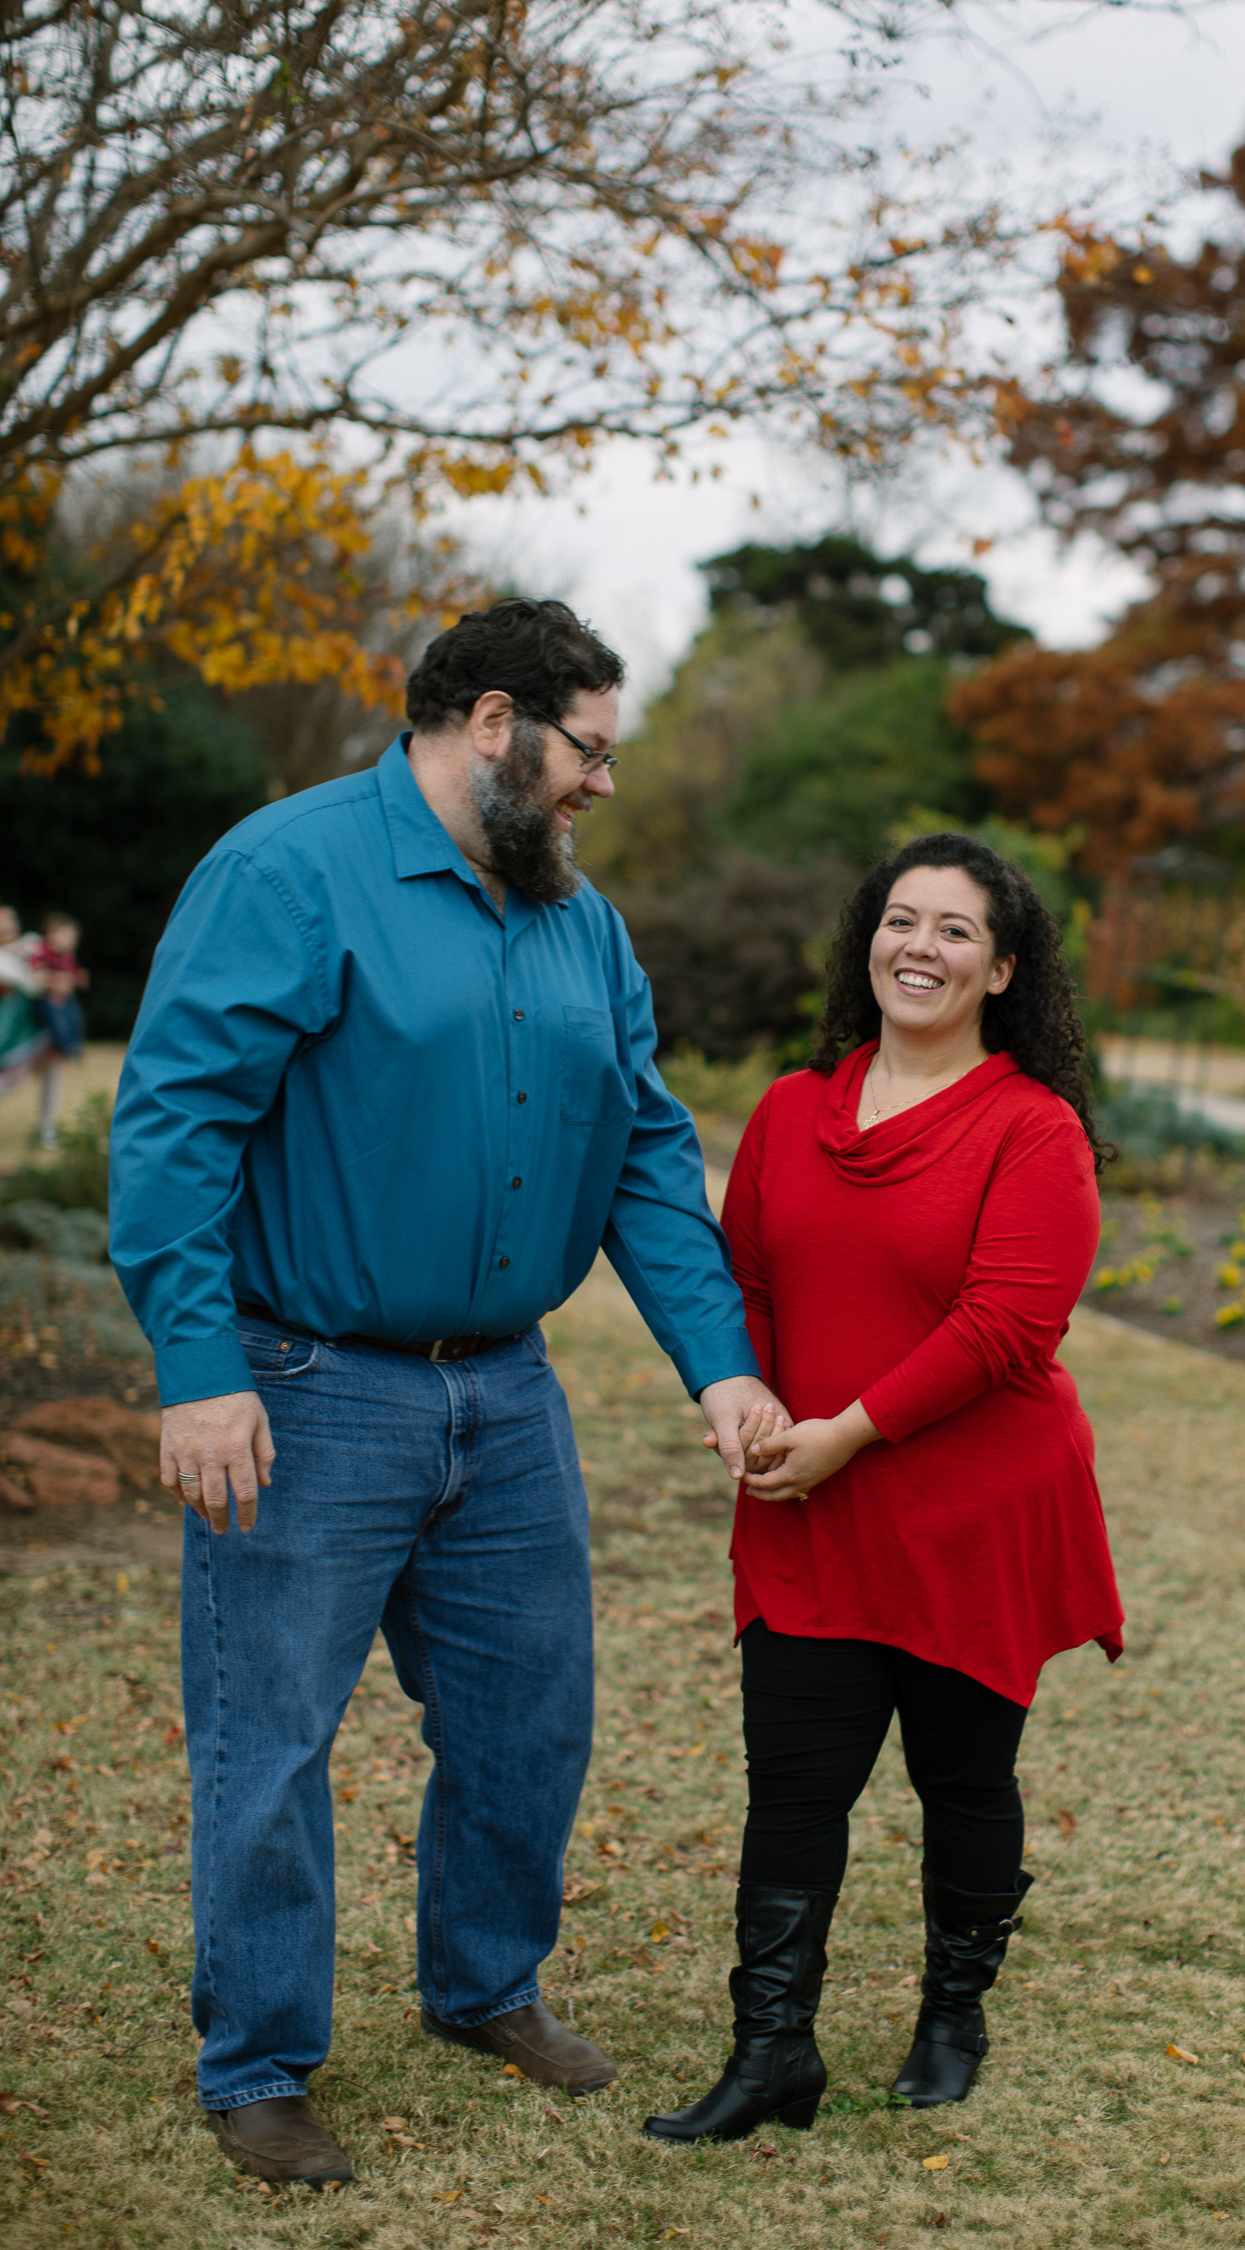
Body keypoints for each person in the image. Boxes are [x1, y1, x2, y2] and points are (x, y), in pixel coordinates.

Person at [110, 598, 787, 2191]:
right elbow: (174, 1126)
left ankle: (484, 1983)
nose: (599, 788)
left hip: (507, 1395)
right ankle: (261, 2060)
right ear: (492, 722)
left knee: (529, 1718)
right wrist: (198, 1372)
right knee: (270, 1742)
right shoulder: (286, 871)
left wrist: (723, 1359)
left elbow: (638, 1143)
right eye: (587, 753)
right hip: (303, 1384)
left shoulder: (579, 918)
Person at [644, 832, 1124, 2147]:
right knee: (792, 1787)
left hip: (973, 1508)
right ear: (869, 942)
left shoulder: (1035, 1130)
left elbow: (1006, 1327)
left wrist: (848, 1429)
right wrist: (739, 1395)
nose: (920, 945)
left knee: (963, 1782)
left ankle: (952, 2019)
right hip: (808, 1502)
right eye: (899, 919)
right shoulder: (796, 1112)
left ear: (1004, 966)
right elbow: (741, 1275)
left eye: (955, 928)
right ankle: (770, 2053)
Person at [32, 911, 89, 1149]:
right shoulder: (43, 949)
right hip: (46, 1009)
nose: (70, 941)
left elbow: (73, 976)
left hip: (62, 1005)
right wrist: (55, 980)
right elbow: (36, 973)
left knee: (74, 1016)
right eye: (66, 936)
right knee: (60, 1017)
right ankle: (67, 1044)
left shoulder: (68, 957)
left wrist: (77, 978)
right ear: (52, 935)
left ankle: (71, 1044)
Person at [0, 904, 48, 1102]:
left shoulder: (27, 945)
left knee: (48, 1062)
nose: (7, 924)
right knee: (13, 1073)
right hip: (8, 1029)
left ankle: (47, 1128)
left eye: (11, 919)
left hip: (24, 1027)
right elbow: (32, 984)